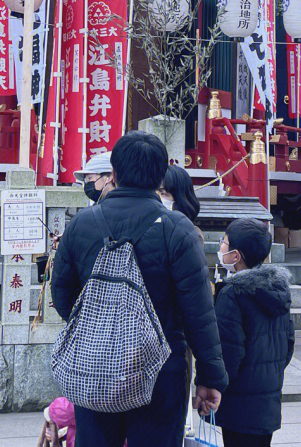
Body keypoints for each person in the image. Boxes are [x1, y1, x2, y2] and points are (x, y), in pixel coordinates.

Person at [51, 131, 227, 447]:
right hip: (161, 371)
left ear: (114, 173)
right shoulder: (178, 230)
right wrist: (210, 378)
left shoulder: (81, 224)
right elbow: (199, 313)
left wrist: (101, 329)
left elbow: (62, 297)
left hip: (97, 368)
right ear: (161, 175)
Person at [213, 218, 295, 447]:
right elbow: (288, 344)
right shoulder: (278, 289)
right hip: (268, 401)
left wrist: (214, 384)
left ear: (236, 256)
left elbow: (228, 354)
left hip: (239, 404)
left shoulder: (233, 294)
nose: (220, 246)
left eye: (224, 242)